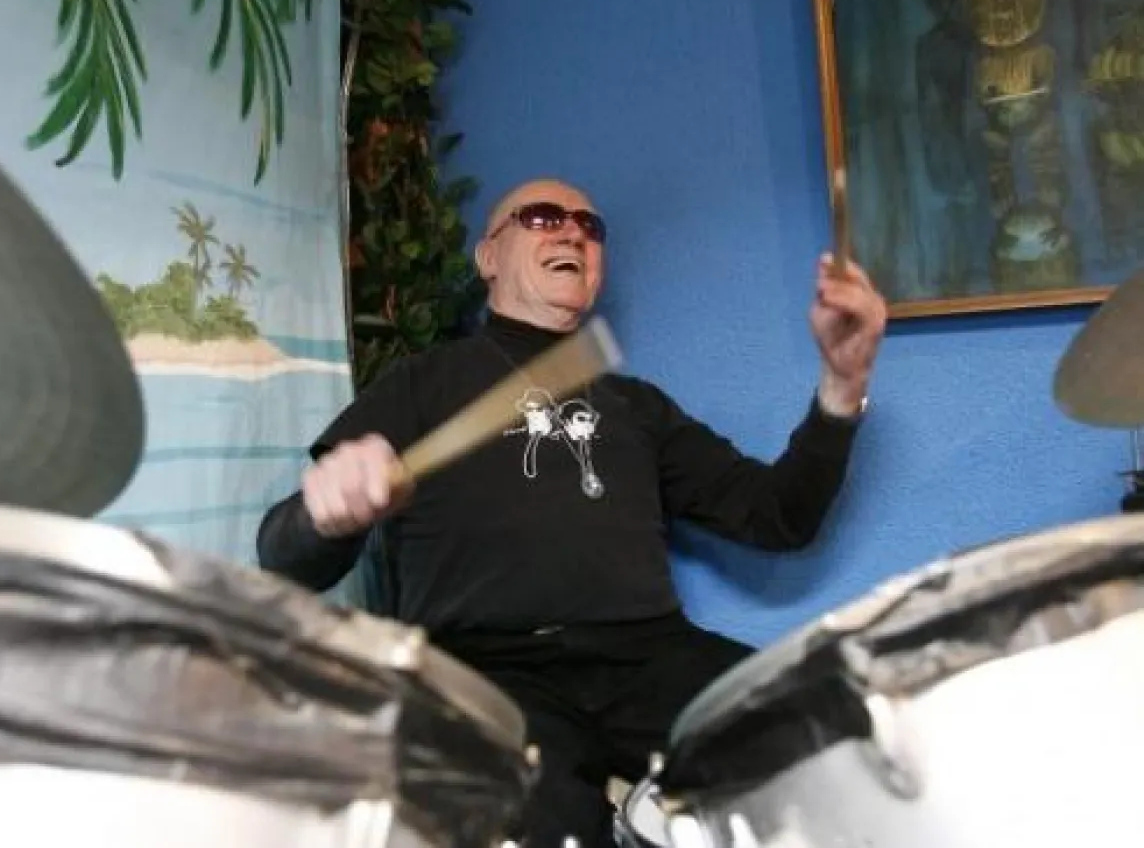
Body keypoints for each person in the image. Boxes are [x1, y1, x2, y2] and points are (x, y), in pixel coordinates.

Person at [256, 178, 888, 848]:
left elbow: (780, 517)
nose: (571, 232)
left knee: (829, 744)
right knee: (531, 825)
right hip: (486, 672)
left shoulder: (636, 406)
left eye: (590, 226)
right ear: (488, 257)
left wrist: (842, 388)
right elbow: (282, 556)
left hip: (651, 657)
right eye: (541, 217)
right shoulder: (420, 384)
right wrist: (325, 516)